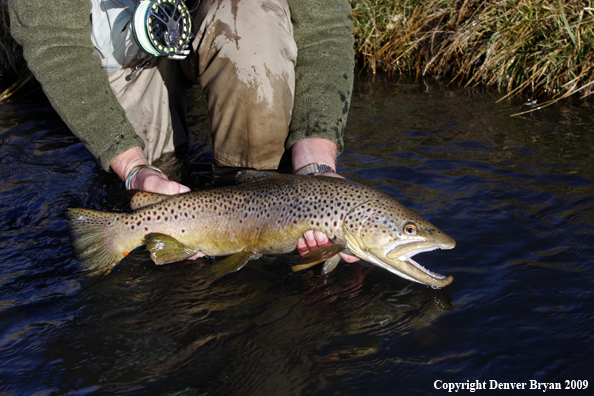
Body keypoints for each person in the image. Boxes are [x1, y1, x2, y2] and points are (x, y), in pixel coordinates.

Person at [9, 0, 358, 262]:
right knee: (146, 184)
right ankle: (149, 237)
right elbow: (54, 40)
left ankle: (246, 226)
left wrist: (316, 166)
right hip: (122, 45)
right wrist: (134, 168)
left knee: (254, 24)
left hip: (231, 20)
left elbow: (322, 25)